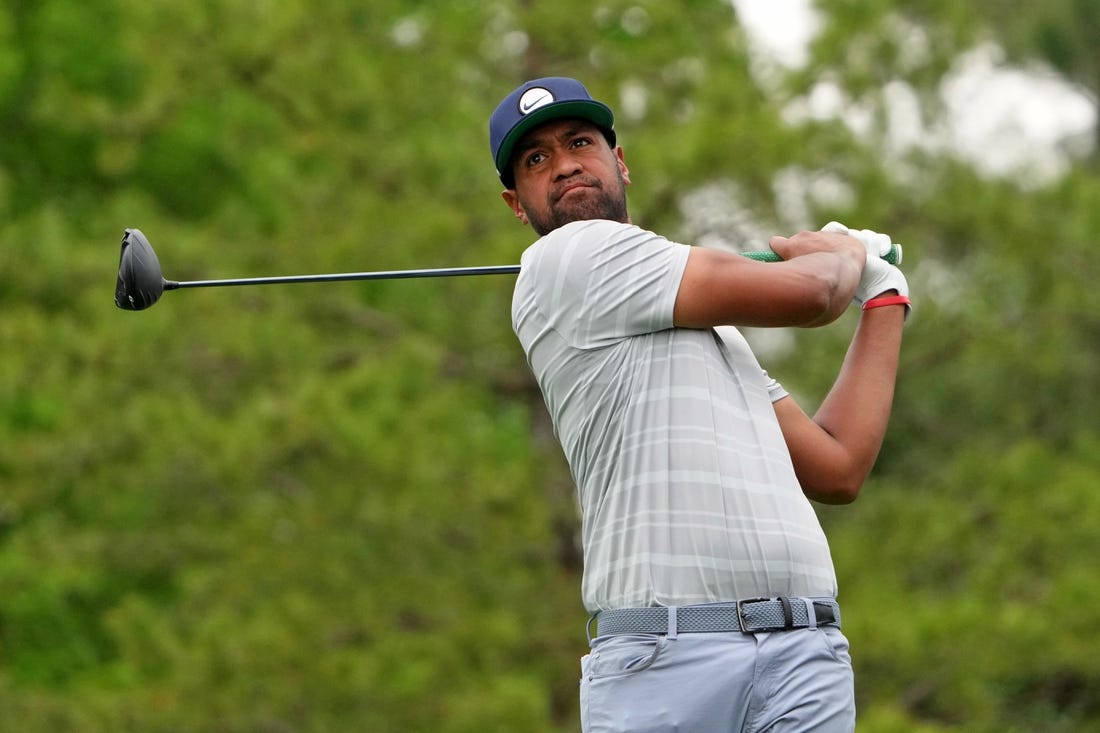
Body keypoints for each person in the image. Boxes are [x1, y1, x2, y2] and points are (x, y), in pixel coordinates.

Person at [489, 77, 909, 733]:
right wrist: (846, 254)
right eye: (536, 158)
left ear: (619, 162)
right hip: (667, 662)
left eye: (579, 142)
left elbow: (837, 464)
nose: (565, 163)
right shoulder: (568, 258)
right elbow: (815, 295)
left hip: (804, 651)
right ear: (519, 203)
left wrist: (885, 300)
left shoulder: (714, 333)